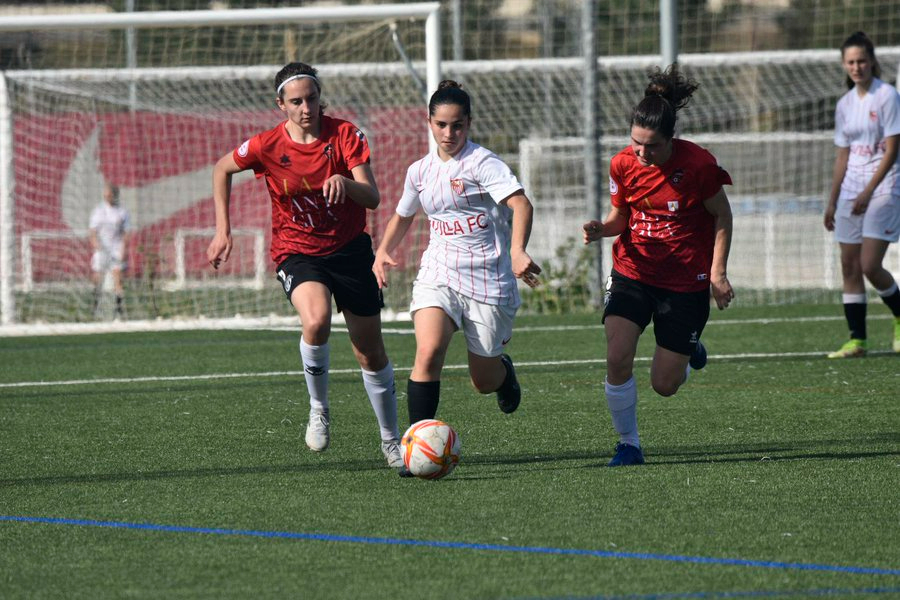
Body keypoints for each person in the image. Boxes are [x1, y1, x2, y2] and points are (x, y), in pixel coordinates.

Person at [205, 62, 402, 468]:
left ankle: (390, 440)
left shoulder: (345, 135)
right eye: (295, 101)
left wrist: (345, 183)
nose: (306, 107)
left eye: (311, 98)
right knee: (315, 320)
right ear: (281, 105)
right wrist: (223, 231)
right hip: (297, 252)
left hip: (349, 251)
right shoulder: (266, 146)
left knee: (369, 351)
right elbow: (222, 168)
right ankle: (319, 408)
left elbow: (372, 197)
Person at [372, 80, 542, 461]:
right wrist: (382, 251)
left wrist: (517, 251)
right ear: (429, 122)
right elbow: (403, 216)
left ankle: (504, 375)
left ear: (469, 123)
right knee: (428, 351)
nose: (450, 133)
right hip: (439, 271)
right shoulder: (419, 171)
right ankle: (413, 449)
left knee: (483, 381)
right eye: (442, 125)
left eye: (458, 125)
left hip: (489, 278)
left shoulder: (483, 163)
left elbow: (521, 205)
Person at [582, 64, 734, 467]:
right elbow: (621, 219)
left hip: (685, 282)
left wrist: (717, 274)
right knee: (617, 356)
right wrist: (602, 229)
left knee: (664, 385)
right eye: (635, 143)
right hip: (633, 271)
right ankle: (628, 444)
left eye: (651, 146)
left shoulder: (699, 166)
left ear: (671, 140)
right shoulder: (622, 164)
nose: (641, 153)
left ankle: (687, 351)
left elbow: (723, 215)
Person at [823, 32, 900, 358]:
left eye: (862, 61)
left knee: (870, 264)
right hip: (851, 190)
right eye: (851, 62)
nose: (857, 67)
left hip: (884, 186)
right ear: (845, 65)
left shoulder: (888, 96)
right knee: (849, 265)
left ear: (872, 62)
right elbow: (843, 155)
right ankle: (857, 340)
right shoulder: (844, 104)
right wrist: (832, 199)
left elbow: (893, 147)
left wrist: (869, 191)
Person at [89, 182, 130, 319]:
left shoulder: (122, 212)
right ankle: (94, 306)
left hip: (116, 248)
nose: (107, 197)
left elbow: (125, 232)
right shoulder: (99, 211)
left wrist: (123, 249)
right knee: (97, 278)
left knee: (117, 279)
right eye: (105, 194)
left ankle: (119, 311)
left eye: (109, 194)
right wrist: (96, 245)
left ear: (114, 195)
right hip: (102, 248)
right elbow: (93, 231)